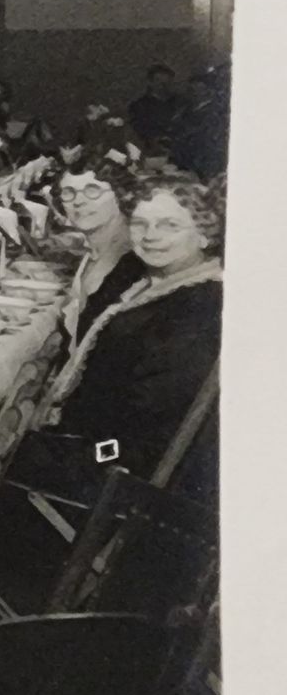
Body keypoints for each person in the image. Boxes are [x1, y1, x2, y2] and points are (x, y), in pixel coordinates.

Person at [29, 173, 223, 494]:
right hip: (82, 431)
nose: (151, 236)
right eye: (140, 224)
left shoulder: (197, 311)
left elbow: (149, 435)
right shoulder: (140, 276)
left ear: (204, 235)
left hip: (119, 464)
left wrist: (83, 458)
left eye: (170, 225)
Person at [52, 161, 146, 348]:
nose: (78, 201)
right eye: (69, 192)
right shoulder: (94, 250)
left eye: (92, 190)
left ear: (120, 195)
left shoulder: (134, 259)